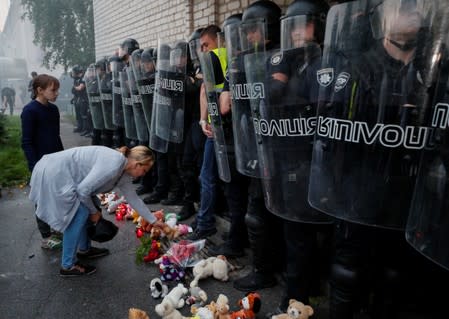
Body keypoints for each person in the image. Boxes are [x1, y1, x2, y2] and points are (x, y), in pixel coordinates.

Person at [261, 0, 334, 313]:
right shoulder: (286, 60)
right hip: (286, 153)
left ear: (317, 26)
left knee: (305, 231)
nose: (295, 32)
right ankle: (301, 287)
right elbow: (271, 95)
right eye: (291, 25)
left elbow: (319, 103)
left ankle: (298, 294)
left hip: (312, 156)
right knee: (293, 228)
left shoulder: (324, 61)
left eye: (302, 24)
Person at [28, 145, 164, 277]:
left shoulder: (123, 171)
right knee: (79, 214)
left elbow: (133, 199)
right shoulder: (115, 163)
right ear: (137, 164)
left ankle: (84, 249)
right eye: (144, 171)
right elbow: (83, 191)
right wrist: (94, 212)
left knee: (87, 207)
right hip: (54, 173)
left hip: (58, 171)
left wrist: (153, 221)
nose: (143, 175)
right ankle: (68, 265)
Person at [21, 74, 64, 250]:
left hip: (57, 160)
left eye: (57, 89)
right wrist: (34, 165)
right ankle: (46, 236)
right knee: (42, 199)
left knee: (59, 195)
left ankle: (57, 228)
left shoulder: (53, 110)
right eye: (53, 90)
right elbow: (27, 142)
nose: (57, 93)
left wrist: (63, 159)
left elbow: (56, 136)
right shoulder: (29, 111)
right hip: (40, 163)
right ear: (40, 90)